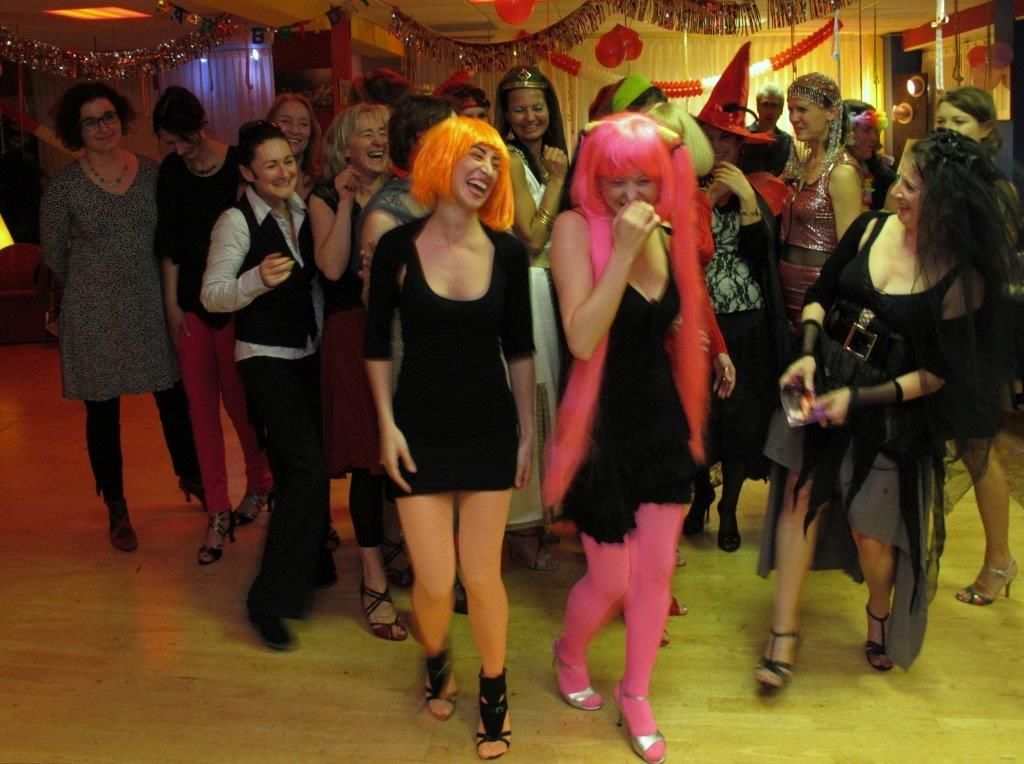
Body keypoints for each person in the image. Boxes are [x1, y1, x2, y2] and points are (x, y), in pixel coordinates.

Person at [754, 129, 1015, 689]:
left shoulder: (962, 279)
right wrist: (807, 353)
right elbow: (821, 294)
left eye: (913, 187)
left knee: (872, 536)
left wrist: (860, 399)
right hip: (825, 376)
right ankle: (782, 635)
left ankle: (878, 610)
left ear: (947, 203)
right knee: (801, 498)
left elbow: (936, 375)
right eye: (901, 179)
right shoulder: (871, 228)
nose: (897, 192)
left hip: (890, 406)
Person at [364, 116, 534, 760]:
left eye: (495, 161)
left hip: (489, 426)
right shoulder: (397, 247)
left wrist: (526, 433)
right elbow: (376, 345)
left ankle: (495, 690)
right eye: (475, 155)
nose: (487, 169)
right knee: (434, 583)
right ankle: (436, 658)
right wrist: (386, 426)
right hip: (419, 429)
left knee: (481, 576)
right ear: (441, 160)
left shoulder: (508, 252)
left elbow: (520, 349)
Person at [546, 113, 710, 764]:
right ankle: (569, 653)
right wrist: (619, 251)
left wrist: (701, 346)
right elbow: (583, 338)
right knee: (612, 577)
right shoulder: (571, 228)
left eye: (643, 180)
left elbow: (666, 321)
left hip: (657, 418)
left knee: (657, 575)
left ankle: (635, 692)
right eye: (615, 180)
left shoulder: (663, 233)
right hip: (599, 426)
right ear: (593, 176)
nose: (629, 195)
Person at [40, 81, 202, 552]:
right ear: (76, 130)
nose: (102, 127)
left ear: (122, 118)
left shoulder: (152, 173)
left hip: (151, 302)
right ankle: (116, 506)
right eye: (90, 121)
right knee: (102, 413)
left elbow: (173, 234)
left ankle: (192, 475)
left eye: (108, 116)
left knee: (173, 398)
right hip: (93, 310)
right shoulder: (64, 188)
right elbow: (54, 254)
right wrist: (96, 280)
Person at [201, 120, 336, 651]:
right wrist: (256, 279)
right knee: (306, 471)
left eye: (288, 160)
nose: (283, 171)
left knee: (299, 466)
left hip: (305, 356)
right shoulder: (235, 222)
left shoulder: (299, 210)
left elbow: (313, 289)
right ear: (247, 172)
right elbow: (212, 295)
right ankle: (269, 602)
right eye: (271, 164)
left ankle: (311, 564)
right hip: (264, 360)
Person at [152, 85, 274, 565]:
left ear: (199, 126)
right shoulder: (170, 171)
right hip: (189, 303)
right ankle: (217, 511)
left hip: (234, 302)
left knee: (242, 407)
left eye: (179, 139)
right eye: (167, 141)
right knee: (200, 411)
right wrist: (170, 303)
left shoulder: (236, 163)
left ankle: (261, 483)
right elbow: (168, 242)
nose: (175, 149)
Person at [688, 43, 790, 553]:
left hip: (746, 324)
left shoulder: (764, 186)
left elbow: (760, 256)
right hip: (696, 323)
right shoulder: (683, 188)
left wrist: (745, 199)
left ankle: (728, 506)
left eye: (726, 138)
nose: (718, 146)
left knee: (739, 422)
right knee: (695, 418)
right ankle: (700, 494)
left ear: (741, 144)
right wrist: (703, 200)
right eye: (709, 137)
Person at [309, 103, 406, 640]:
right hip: (352, 333)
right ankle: (372, 579)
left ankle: (393, 542)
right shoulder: (326, 196)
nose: (377, 139)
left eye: (383, 131)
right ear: (342, 147)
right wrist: (347, 201)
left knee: (402, 447)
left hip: (402, 329)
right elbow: (330, 267)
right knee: (369, 458)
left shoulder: (406, 191)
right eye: (364, 132)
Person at [357, 93, 453, 589]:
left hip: (451, 346)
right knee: (417, 460)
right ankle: (424, 566)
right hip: (406, 348)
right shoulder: (386, 212)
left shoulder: (450, 197)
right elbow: (376, 306)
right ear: (418, 143)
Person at [935, 86, 1018, 606]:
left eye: (960, 122)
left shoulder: (993, 188)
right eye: (942, 122)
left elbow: (991, 267)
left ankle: (1000, 560)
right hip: (942, 329)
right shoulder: (941, 180)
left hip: (976, 335)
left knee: (978, 448)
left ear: (986, 129)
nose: (948, 131)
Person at [495, 65, 570, 569]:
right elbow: (531, 236)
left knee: (551, 401)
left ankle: (539, 517)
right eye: (518, 109)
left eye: (537, 107)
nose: (529, 117)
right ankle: (519, 527)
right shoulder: (510, 158)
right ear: (505, 114)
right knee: (533, 401)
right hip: (527, 285)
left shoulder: (546, 156)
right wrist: (559, 180)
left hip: (553, 288)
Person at [778, 73, 862, 328]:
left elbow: (849, 249)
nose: (794, 118)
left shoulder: (842, 171)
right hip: (786, 286)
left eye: (802, 109)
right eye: (791, 110)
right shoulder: (802, 165)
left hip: (818, 288)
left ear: (831, 112)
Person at [266, 92, 322, 201]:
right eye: (286, 121)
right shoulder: (257, 180)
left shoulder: (322, 181)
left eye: (303, 124)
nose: (295, 130)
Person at [844, 99, 896, 211]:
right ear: (846, 132)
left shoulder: (886, 179)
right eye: (867, 130)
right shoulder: (825, 172)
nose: (874, 138)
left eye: (876, 131)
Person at [739, 83, 794, 176]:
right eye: (765, 105)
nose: (769, 111)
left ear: (781, 110)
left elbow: (792, 172)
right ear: (757, 107)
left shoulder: (787, 141)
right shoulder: (742, 136)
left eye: (774, 106)